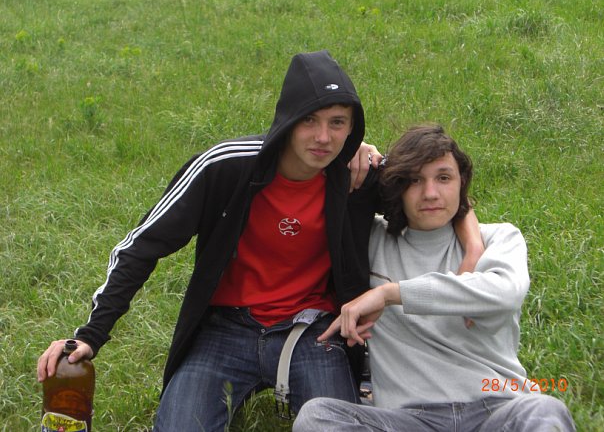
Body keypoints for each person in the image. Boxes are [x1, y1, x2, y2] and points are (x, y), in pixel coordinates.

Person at [37, 50, 385, 431]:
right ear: (287, 119)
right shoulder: (226, 166)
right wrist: (91, 335)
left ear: (352, 128)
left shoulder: (355, 175)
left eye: (337, 123)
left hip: (313, 330)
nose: (323, 137)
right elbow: (142, 246)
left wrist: (382, 163)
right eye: (309, 120)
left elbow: (427, 197)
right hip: (226, 327)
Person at [293, 124, 575, 432]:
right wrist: (358, 152)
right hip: (408, 419)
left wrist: (389, 293)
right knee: (317, 416)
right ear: (397, 187)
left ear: (461, 183)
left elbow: (505, 292)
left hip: (496, 409)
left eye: (443, 178)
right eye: (415, 180)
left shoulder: (499, 239)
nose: (430, 193)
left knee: (544, 410)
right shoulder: (370, 241)